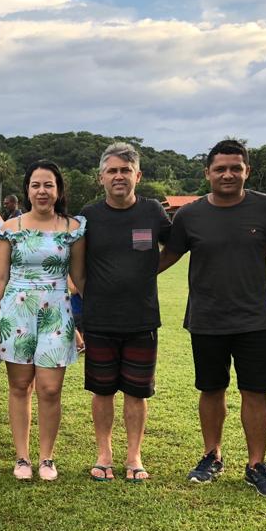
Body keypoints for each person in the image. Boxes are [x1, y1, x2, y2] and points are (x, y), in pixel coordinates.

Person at [159, 140, 266, 497]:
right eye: (220, 169)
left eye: (235, 168)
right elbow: (167, 257)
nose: (228, 174)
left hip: (254, 320)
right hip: (207, 318)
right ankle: (211, 456)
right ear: (207, 173)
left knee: (255, 391)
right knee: (211, 389)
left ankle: (256, 465)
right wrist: (119, 277)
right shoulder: (189, 215)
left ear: (247, 171)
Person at [0, 160, 86, 481]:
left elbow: (79, 277)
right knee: (19, 386)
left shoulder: (73, 227)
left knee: (50, 389)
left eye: (48, 185)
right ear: (27, 190)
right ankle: (22, 457)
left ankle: (46, 458)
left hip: (57, 312)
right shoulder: (9, 228)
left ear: (58, 190)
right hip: (16, 312)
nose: (42, 191)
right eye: (36, 185)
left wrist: (88, 320)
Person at [78, 142, 171, 483]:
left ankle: (134, 456)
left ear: (138, 176)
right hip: (99, 319)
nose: (119, 176)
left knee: (137, 391)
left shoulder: (152, 212)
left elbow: (176, 245)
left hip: (141, 318)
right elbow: (75, 263)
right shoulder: (88, 216)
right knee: (102, 391)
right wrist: (90, 295)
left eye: (126, 170)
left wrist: (150, 271)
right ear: (101, 177)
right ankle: (104, 454)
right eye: (112, 171)